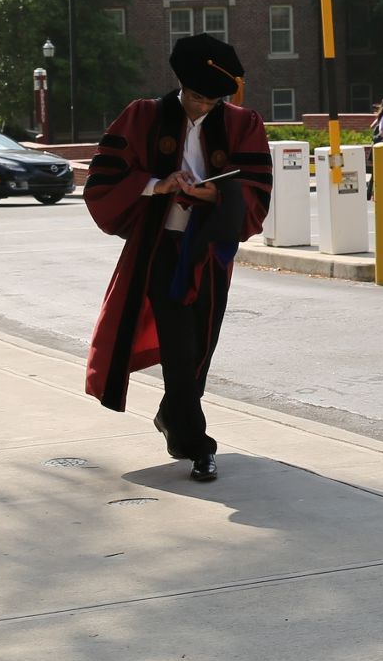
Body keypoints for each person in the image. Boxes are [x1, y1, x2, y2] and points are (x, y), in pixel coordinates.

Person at [81, 34, 273, 482]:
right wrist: (159, 185)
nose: (204, 107)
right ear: (182, 86)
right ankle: (198, 447)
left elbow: (256, 184)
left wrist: (214, 193)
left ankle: (173, 415)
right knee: (178, 347)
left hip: (208, 250)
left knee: (201, 346)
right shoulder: (143, 116)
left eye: (213, 100)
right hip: (161, 249)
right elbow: (105, 177)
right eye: (197, 97)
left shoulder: (242, 122)